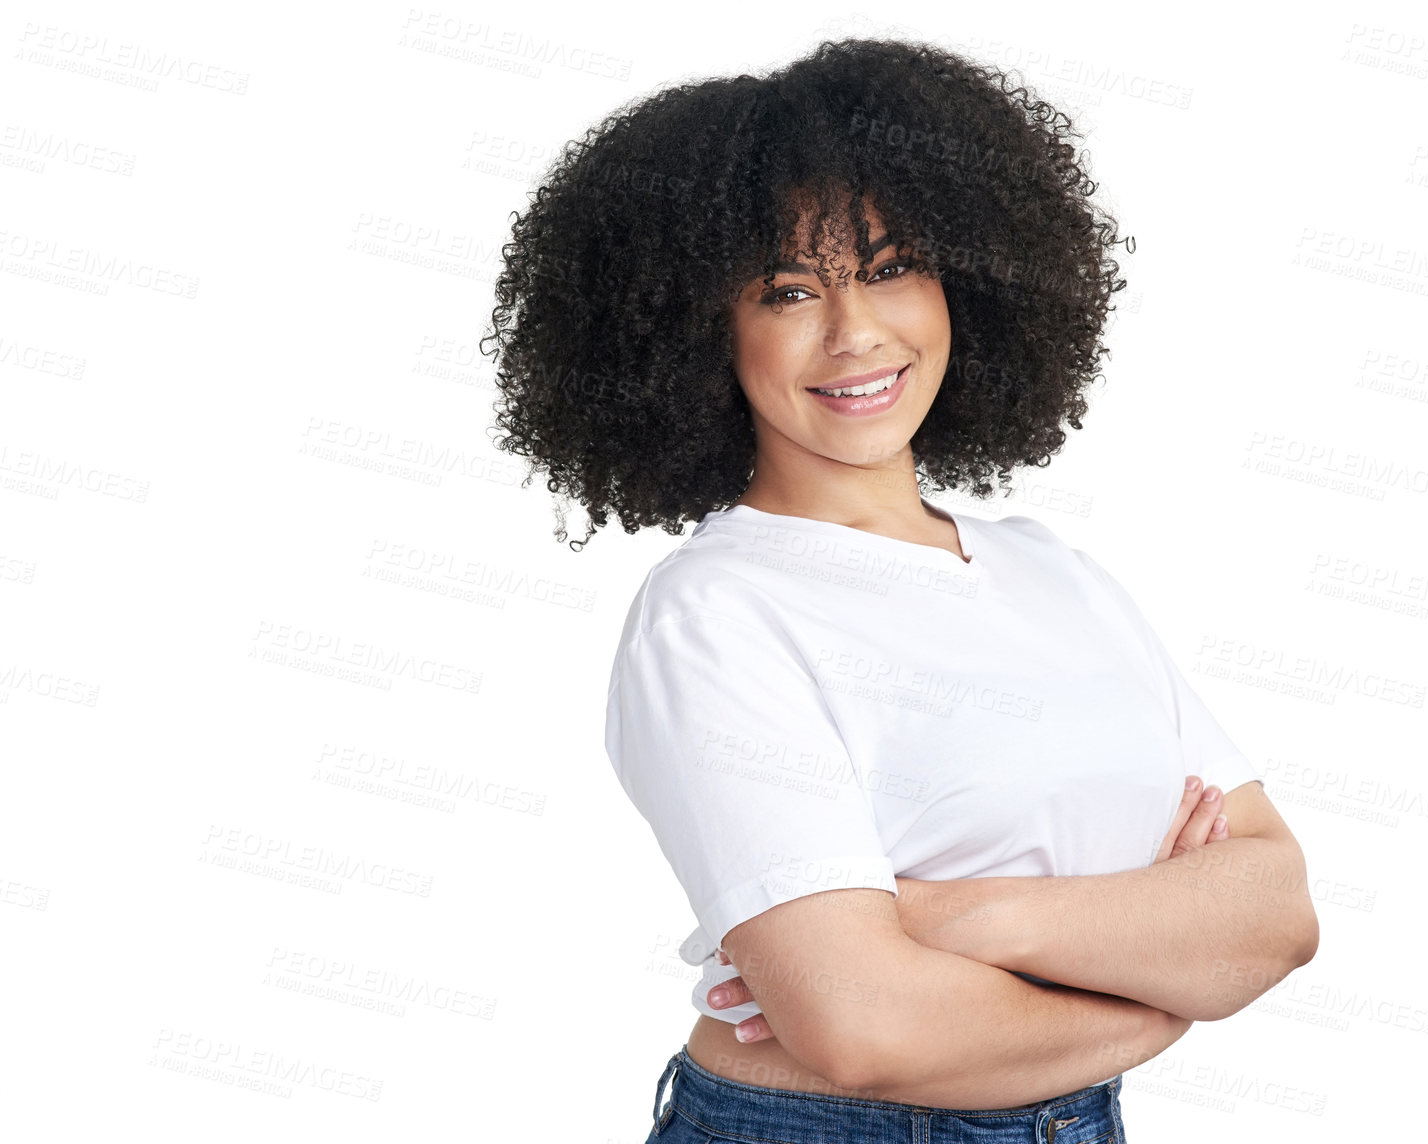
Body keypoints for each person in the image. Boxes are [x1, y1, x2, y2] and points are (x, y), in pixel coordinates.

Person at [482, 36, 1318, 1144]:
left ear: (962, 278)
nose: (855, 331)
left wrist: (947, 915)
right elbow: (867, 1029)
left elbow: (1277, 912)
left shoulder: (1053, 574)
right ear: (701, 334)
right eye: (788, 289)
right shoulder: (717, 615)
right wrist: (1165, 986)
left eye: (888, 267)